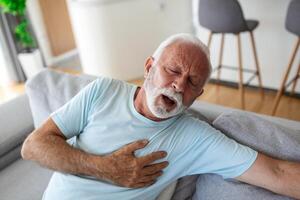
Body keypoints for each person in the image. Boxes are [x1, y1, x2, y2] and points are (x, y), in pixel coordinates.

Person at [21, 34, 300, 200]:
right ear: (149, 67)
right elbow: (33, 146)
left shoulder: (196, 137)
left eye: (192, 82)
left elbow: (277, 172)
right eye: (174, 70)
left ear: (197, 96)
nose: (179, 85)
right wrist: (105, 167)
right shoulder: (103, 92)